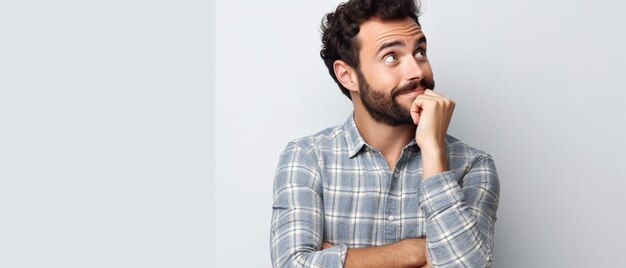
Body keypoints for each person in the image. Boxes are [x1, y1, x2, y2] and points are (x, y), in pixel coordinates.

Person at [269, 0, 500, 267]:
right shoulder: (307, 160)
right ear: (347, 75)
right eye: (392, 57)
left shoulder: (472, 165)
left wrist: (433, 150)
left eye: (420, 52)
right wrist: (414, 252)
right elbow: (292, 264)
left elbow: (466, 265)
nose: (417, 71)